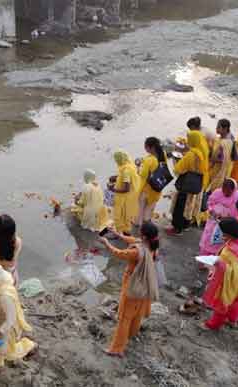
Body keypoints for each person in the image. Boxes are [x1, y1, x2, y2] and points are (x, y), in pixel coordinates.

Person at [98, 222, 159, 357]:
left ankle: (117, 349)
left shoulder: (136, 252)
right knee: (137, 314)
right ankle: (131, 334)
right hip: (145, 286)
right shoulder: (152, 247)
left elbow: (119, 253)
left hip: (133, 287)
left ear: (143, 236)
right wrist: (116, 233)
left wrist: (106, 243)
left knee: (124, 317)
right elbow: (132, 239)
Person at [201, 218, 238, 330]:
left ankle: (213, 325)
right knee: (237, 303)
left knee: (224, 302)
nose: (223, 235)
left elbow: (232, 271)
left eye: (224, 233)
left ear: (230, 233)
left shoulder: (231, 250)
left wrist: (217, 263)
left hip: (233, 280)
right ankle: (232, 320)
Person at [167, 131, 209, 236]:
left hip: (186, 183)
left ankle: (177, 228)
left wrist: (177, 160)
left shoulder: (191, 155)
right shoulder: (203, 151)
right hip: (197, 183)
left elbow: (178, 169)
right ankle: (186, 225)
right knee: (190, 205)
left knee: (180, 205)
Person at [199, 179, 238, 255]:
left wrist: (226, 218)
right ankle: (204, 256)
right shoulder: (217, 192)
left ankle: (214, 258)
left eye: (228, 192)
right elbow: (210, 202)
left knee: (219, 241)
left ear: (233, 190)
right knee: (208, 237)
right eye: (224, 190)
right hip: (214, 219)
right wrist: (211, 210)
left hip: (226, 223)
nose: (225, 193)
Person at [183, 118, 212, 227]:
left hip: (194, 178)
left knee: (190, 199)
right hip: (203, 174)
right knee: (199, 197)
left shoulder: (194, 152)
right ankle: (196, 217)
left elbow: (179, 168)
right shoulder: (202, 143)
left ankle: (187, 221)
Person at [137, 137, 166, 227]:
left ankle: (141, 225)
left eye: (146, 146)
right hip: (157, 187)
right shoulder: (163, 155)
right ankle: (147, 223)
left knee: (142, 209)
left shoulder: (149, 160)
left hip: (147, 189)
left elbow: (143, 175)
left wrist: (138, 167)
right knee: (150, 208)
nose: (145, 148)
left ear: (151, 148)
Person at [110, 150, 141, 235]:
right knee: (126, 216)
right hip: (130, 196)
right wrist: (116, 177)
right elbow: (127, 179)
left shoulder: (125, 171)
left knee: (120, 215)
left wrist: (113, 189)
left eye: (116, 159)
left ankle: (120, 234)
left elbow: (126, 188)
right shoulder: (130, 165)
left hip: (124, 198)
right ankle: (126, 232)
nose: (116, 161)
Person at [208, 119, 235, 192]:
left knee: (213, 190)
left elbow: (222, 159)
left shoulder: (224, 143)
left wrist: (210, 159)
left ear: (225, 129)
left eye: (218, 127)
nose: (216, 128)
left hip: (218, 171)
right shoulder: (224, 140)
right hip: (222, 171)